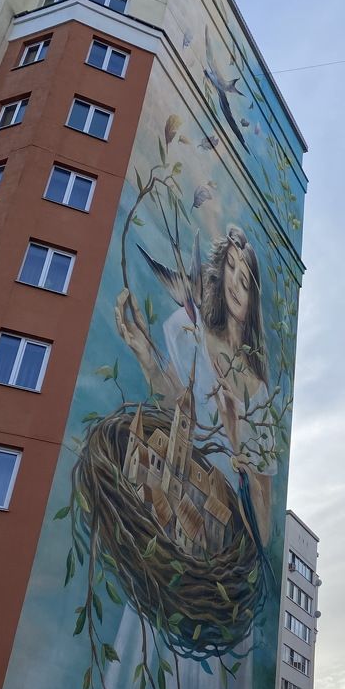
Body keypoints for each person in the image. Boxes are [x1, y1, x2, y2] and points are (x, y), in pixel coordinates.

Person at [115, 225, 274, 543]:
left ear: (253, 299)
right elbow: (173, 407)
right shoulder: (190, 331)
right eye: (230, 267)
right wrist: (147, 359)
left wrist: (237, 439)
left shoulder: (259, 395)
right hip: (172, 495)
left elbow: (265, 521)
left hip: (219, 531)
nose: (234, 283)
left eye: (244, 282)